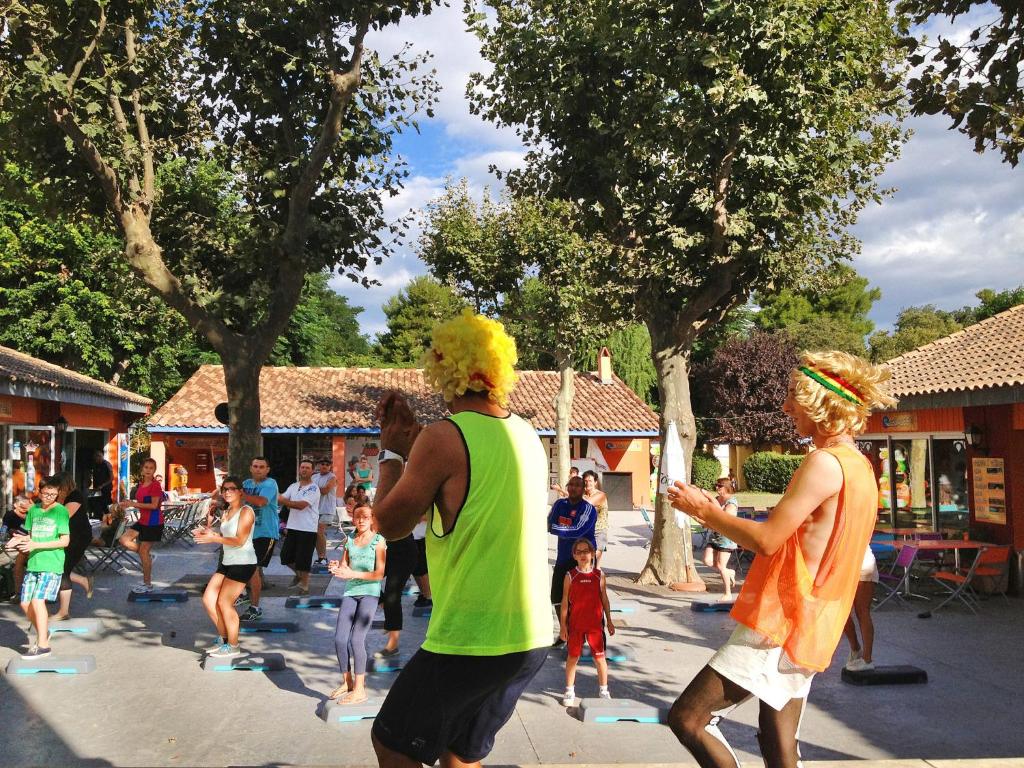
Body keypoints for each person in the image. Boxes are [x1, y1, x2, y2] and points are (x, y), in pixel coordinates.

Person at [666, 350, 896, 768]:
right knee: (778, 741)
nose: (787, 407)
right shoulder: (859, 466)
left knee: (689, 719)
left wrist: (704, 511)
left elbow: (768, 540)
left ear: (820, 404)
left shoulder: (825, 463)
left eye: (793, 396)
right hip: (811, 622)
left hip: (784, 621)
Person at [369, 309, 551, 768]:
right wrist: (416, 445)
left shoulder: (442, 438)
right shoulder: (527, 434)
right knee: (460, 755)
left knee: (391, 743)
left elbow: (389, 523)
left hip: (472, 637)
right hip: (530, 636)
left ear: (442, 370)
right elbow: (464, 490)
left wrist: (390, 450)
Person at [328, 504, 386, 703]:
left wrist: (352, 573)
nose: (361, 520)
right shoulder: (350, 540)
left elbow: (379, 574)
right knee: (339, 639)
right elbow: (344, 566)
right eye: (357, 516)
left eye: (365, 517)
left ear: (372, 519)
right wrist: (336, 567)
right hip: (351, 592)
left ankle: (360, 690)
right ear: (353, 519)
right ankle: (348, 682)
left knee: (356, 640)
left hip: (370, 592)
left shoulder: (378, 541)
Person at [194, 476, 257, 658]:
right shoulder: (227, 511)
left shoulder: (246, 512)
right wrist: (209, 533)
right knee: (208, 599)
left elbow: (239, 540)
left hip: (243, 562)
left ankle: (233, 645)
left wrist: (214, 539)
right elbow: (226, 536)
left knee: (224, 603)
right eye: (224, 489)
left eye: (232, 489)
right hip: (227, 561)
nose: (227, 492)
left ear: (240, 492)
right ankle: (224, 639)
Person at [9, 478, 70, 658]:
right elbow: (31, 536)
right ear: (39, 491)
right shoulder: (33, 510)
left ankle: (43, 646)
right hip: (34, 562)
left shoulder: (60, 511)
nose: (49, 497)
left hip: (51, 563)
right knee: (25, 603)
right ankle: (44, 633)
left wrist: (36, 545)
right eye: (46, 494)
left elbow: (64, 540)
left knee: (37, 601)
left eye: (53, 494)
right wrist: (18, 540)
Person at [559, 537, 614, 706]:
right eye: (579, 552)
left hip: (595, 626)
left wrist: (609, 620)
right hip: (576, 626)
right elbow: (564, 602)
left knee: (600, 658)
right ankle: (569, 691)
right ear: (574, 555)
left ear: (592, 554)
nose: (583, 555)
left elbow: (604, 599)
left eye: (586, 551)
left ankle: (604, 690)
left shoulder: (599, 575)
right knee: (572, 657)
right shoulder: (570, 576)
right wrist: (563, 626)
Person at [547, 474, 597, 644]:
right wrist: (555, 527)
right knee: (556, 597)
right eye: (571, 484)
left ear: (583, 489)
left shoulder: (588, 509)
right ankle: (565, 632)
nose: (574, 488)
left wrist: (554, 528)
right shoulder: (560, 504)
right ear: (567, 487)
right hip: (562, 558)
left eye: (578, 485)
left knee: (581, 600)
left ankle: (583, 634)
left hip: (582, 561)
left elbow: (577, 530)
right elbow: (548, 522)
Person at [239, 456, 280, 621]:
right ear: (250, 468)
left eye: (262, 467)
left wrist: (241, 494)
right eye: (255, 466)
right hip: (247, 533)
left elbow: (261, 502)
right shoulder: (246, 484)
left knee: (253, 568)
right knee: (242, 566)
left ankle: (255, 608)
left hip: (265, 533)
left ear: (267, 470)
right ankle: (243, 594)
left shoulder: (270, 484)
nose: (258, 469)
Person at [51, 473, 94, 619]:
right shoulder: (57, 497)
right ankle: (83, 580)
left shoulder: (75, 496)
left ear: (65, 485)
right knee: (59, 568)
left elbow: (64, 516)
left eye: (57, 485)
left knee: (62, 570)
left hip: (78, 537)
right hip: (66, 536)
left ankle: (63, 612)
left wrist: (58, 500)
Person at [118, 458, 164, 593]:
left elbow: (154, 505)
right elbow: (140, 502)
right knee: (123, 540)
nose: (148, 470)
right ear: (142, 470)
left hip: (153, 522)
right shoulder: (141, 484)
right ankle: (147, 556)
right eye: (146, 467)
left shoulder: (155, 485)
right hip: (143, 520)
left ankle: (147, 584)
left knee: (144, 552)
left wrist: (134, 504)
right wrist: (128, 503)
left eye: (151, 468)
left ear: (154, 470)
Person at [278, 459, 320, 595]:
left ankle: (305, 586)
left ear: (312, 471)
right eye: (302, 467)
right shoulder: (293, 486)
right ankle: (299, 576)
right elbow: (281, 498)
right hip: (292, 527)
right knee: (285, 557)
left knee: (304, 559)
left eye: (307, 468)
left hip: (308, 528)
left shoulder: (314, 488)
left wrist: (282, 500)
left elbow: (301, 505)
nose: (304, 470)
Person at [375, 528, 416, 659]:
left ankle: (392, 646)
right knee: (366, 580)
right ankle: (388, 611)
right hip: (383, 548)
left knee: (392, 596)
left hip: (403, 552)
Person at [842, 545, 878, 672]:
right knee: (841, 612)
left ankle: (867, 659)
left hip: (862, 563)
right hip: (843, 565)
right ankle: (855, 649)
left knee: (862, 611)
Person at [702, 478, 739, 600]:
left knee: (720, 565)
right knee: (707, 560)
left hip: (726, 538)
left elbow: (724, 518)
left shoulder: (732, 502)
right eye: (716, 485)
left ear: (727, 488)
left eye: (720, 486)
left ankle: (728, 594)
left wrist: (710, 498)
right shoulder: (717, 499)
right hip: (715, 535)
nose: (717, 488)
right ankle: (729, 572)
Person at [2, 496, 32, 603]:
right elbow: (4, 530)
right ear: (15, 505)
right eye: (22, 506)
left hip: (31, 542)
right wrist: (7, 535)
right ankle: (17, 592)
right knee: (17, 564)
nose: (25, 509)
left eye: (26, 507)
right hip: (15, 544)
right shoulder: (10, 515)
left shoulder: (31, 514)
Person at [314, 457, 339, 565]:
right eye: (322, 464)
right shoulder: (314, 477)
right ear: (318, 465)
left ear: (330, 466)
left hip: (327, 509)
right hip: (315, 509)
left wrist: (311, 488)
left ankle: (323, 557)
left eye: (327, 464)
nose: (324, 466)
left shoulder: (332, 477)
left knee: (319, 531)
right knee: (316, 534)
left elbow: (325, 490)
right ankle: (320, 557)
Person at [582, 470, 610, 566]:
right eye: (585, 481)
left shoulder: (600, 495)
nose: (587, 483)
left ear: (595, 482)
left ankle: (597, 574)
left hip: (599, 531)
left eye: (590, 481)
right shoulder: (583, 495)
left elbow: (586, 504)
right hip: (585, 531)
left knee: (595, 560)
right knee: (587, 563)